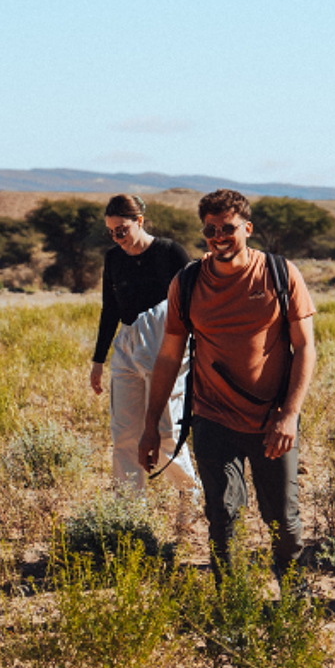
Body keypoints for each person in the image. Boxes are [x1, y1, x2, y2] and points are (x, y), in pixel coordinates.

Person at [140, 189, 317, 584]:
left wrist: (289, 415)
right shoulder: (187, 283)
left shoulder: (279, 273)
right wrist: (151, 424)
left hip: (272, 420)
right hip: (212, 417)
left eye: (228, 228)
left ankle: (293, 598)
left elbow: (305, 348)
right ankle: (230, 604)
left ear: (247, 228)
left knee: (283, 521)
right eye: (211, 229)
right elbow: (169, 357)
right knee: (222, 515)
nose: (219, 236)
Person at [89, 194, 197, 495]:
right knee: (124, 433)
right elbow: (109, 309)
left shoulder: (170, 252)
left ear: (139, 221)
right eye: (111, 232)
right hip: (127, 343)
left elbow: (194, 303)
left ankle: (190, 499)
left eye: (121, 229)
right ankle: (128, 510)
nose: (117, 237)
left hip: (167, 344)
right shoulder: (113, 258)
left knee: (165, 431)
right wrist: (98, 361)